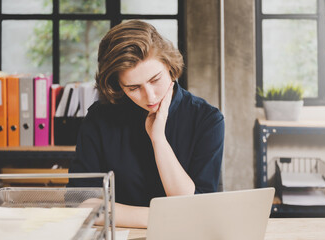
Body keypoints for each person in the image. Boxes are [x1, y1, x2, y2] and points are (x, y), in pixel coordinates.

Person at [68, 20, 225, 228]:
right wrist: (162, 218)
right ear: (118, 85)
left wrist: (158, 139)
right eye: (133, 88)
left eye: (155, 80)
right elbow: (81, 203)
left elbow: (195, 209)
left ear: (169, 66)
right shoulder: (99, 118)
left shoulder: (207, 119)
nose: (150, 96)